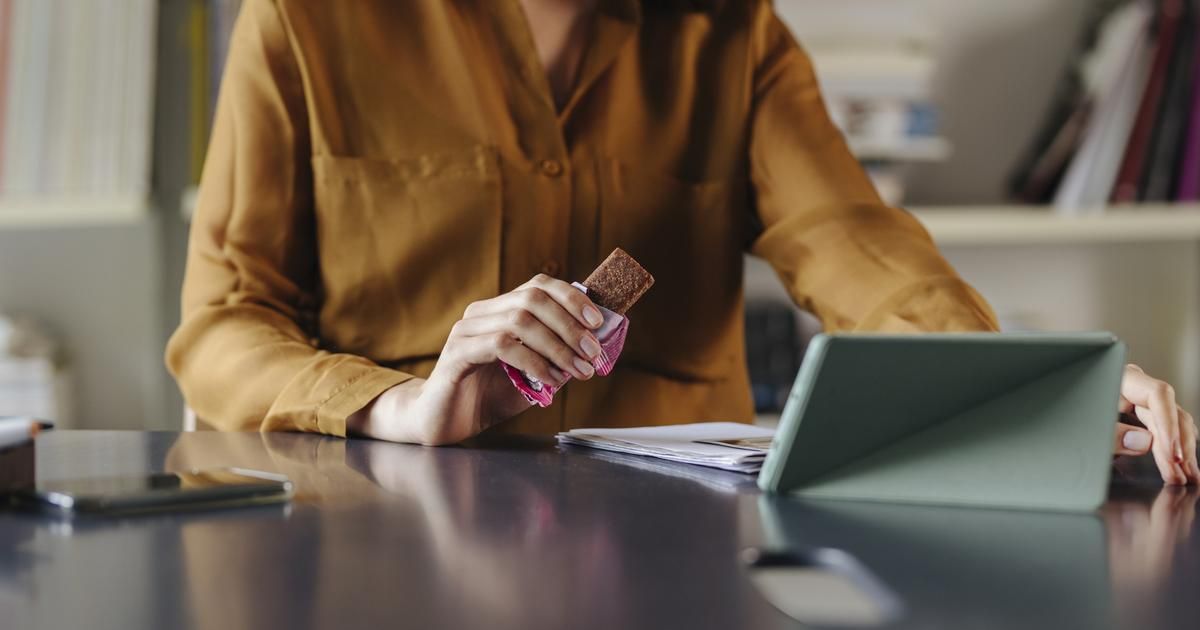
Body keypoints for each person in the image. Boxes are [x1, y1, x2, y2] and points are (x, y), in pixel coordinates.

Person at [166, 0, 1199, 485]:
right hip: (385, 538)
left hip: (679, 553)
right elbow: (220, 324)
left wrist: (1019, 383)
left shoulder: (733, 33)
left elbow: (848, 237)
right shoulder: (306, 21)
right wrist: (396, 405)